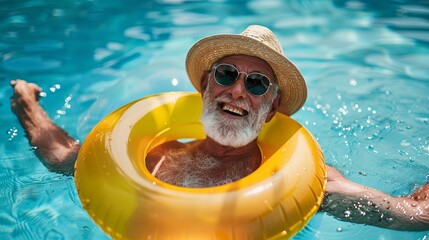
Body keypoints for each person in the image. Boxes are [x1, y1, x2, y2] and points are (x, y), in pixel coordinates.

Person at [10, 25, 429, 231]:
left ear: (272, 109)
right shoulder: (155, 157)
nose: (237, 92)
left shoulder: (305, 182)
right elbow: (61, 156)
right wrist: (27, 103)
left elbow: (413, 214)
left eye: (257, 83)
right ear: (206, 86)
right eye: (227, 74)